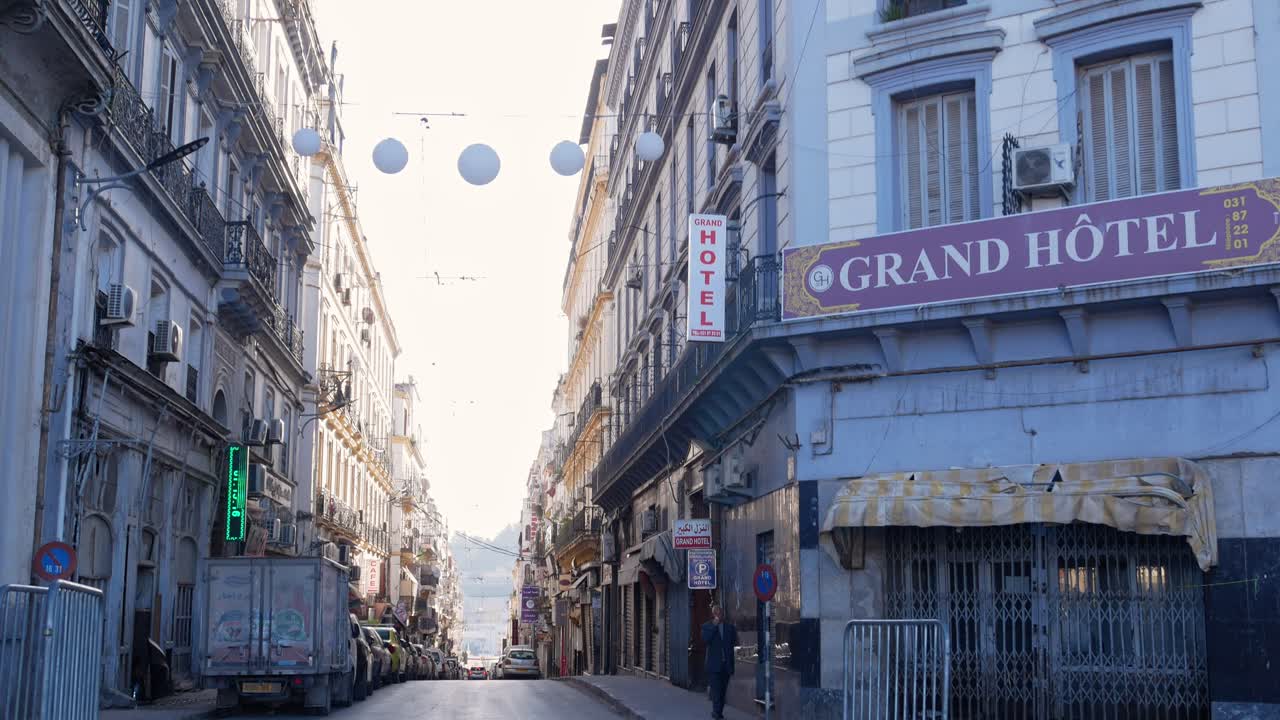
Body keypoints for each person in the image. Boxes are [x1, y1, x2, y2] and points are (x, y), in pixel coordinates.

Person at [701, 602, 738, 720]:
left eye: (720, 612)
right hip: (713, 666)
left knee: (722, 692)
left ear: (723, 614)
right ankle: (717, 714)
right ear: (713, 614)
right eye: (716, 613)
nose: (718, 615)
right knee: (716, 691)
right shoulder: (707, 626)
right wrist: (714, 626)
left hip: (725, 665)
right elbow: (706, 640)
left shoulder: (730, 628)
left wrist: (732, 665)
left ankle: (718, 712)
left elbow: (733, 645)